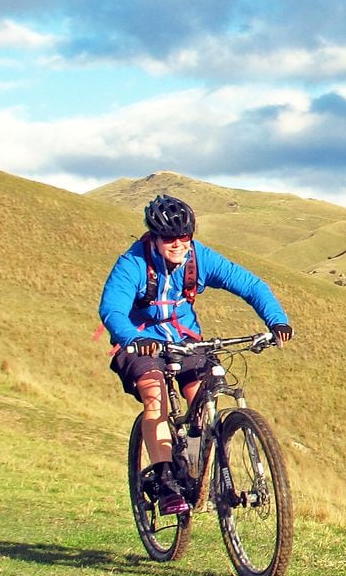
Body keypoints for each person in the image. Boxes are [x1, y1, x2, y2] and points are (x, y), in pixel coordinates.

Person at [98, 193, 293, 515]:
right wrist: (133, 337)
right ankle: (165, 482)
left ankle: (194, 467)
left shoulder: (199, 258)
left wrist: (277, 321)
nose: (177, 244)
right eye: (169, 239)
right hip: (139, 343)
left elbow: (250, 284)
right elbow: (112, 309)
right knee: (154, 395)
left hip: (186, 341)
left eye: (184, 238)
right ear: (155, 237)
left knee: (203, 397)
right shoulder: (132, 264)